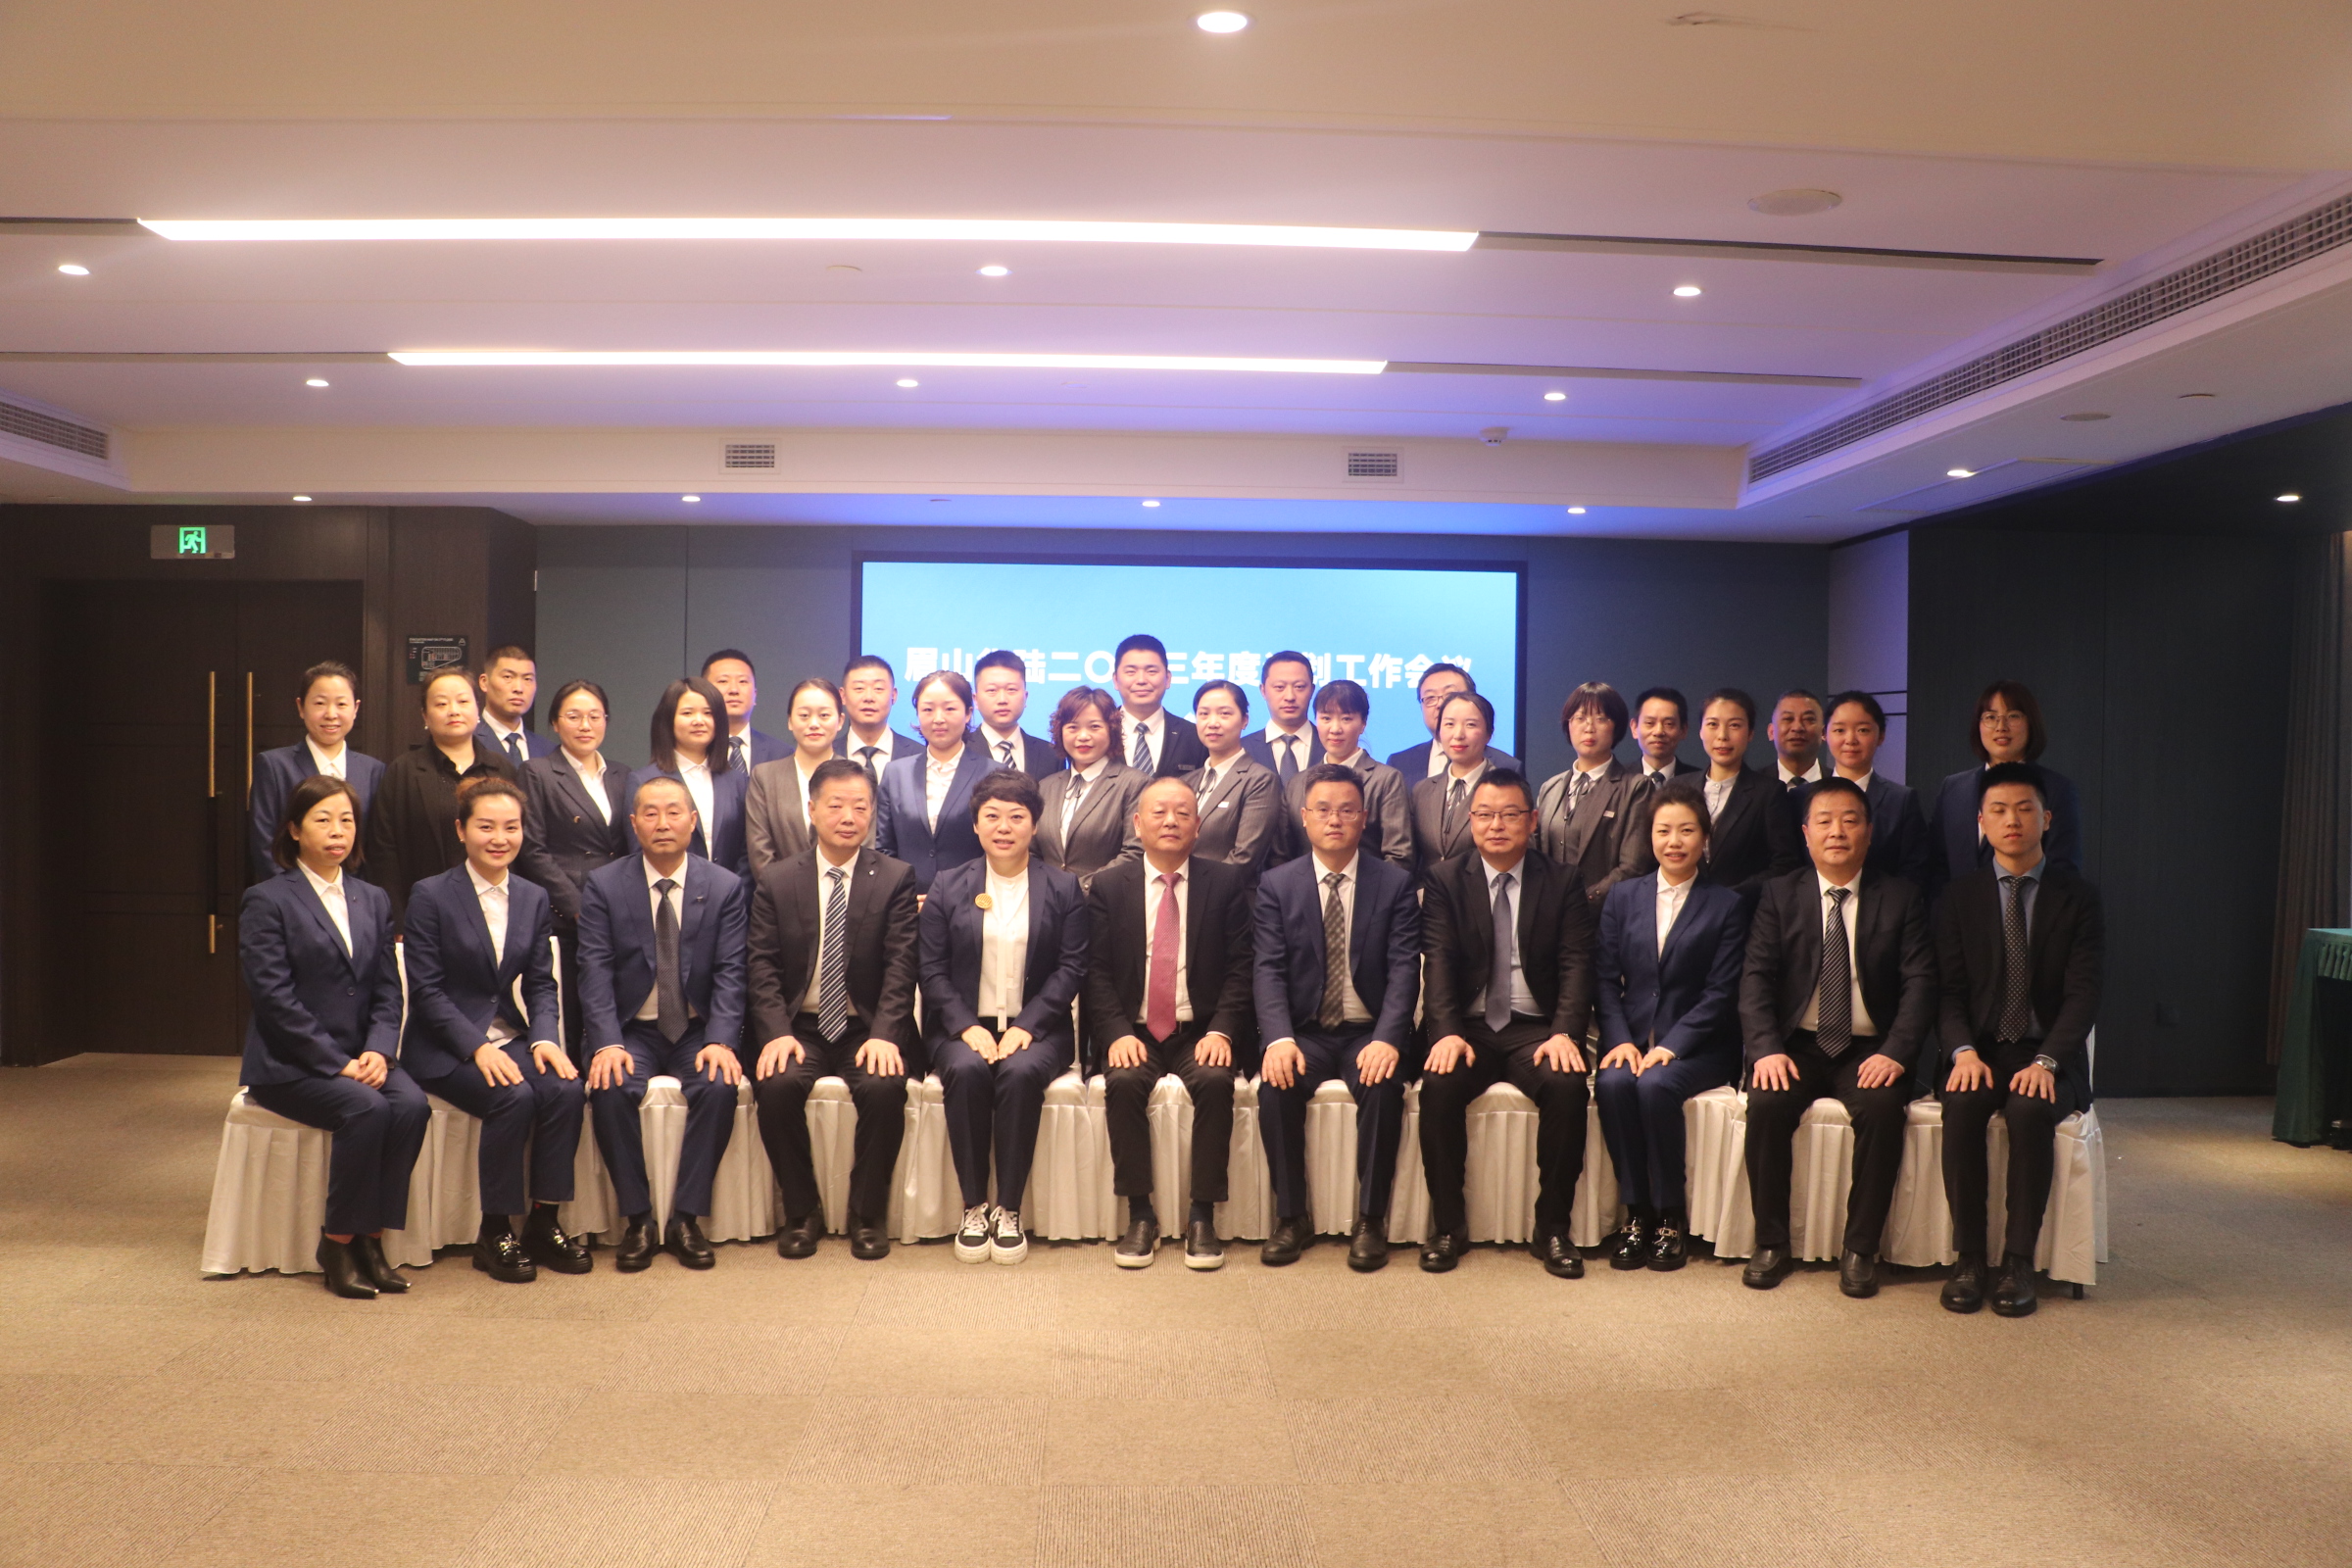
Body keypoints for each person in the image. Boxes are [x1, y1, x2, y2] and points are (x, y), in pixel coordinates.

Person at [1739, 776, 1935, 1298]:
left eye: (1850, 820)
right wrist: (1765, 1050)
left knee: (1882, 1109)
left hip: (1871, 1047)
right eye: (1824, 821)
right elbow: (1755, 978)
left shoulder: (1901, 897)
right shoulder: (1780, 894)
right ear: (1805, 833)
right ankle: (1771, 1242)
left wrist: (1897, 1052)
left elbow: (1920, 983)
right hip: (1796, 1045)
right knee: (1766, 1103)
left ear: (1869, 830)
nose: (1837, 832)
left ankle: (1860, 1248)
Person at [398, 778, 591, 1283]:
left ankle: (544, 1221)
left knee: (566, 1089)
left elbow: (542, 983)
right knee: (514, 1096)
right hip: (444, 1045)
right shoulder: (431, 895)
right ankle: (496, 1230)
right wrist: (476, 1047)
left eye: (511, 827)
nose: (500, 838)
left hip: (510, 1035)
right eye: (486, 827)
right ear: (461, 830)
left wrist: (546, 1038)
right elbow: (427, 992)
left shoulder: (532, 896)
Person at [239, 775, 425, 1299]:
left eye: (346, 820)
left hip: (362, 1054)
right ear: (295, 830)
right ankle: (338, 1243)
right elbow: (273, 998)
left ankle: (373, 1239)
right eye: (322, 820)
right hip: (289, 1063)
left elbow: (388, 989)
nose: (337, 831)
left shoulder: (372, 898)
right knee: (366, 1108)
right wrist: (335, 1061)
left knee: (411, 1105)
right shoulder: (267, 900)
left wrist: (378, 1050)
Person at [1934, 762, 2102, 1318]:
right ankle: (1968, 1259)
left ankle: (2018, 1261)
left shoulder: (2078, 898)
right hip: (1980, 1049)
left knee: (2030, 1111)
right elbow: (1948, 992)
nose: (2013, 820)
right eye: (1999, 811)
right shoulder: (1958, 897)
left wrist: (2048, 1060)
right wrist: (1962, 1051)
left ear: (2047, 819)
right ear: (1981, 822)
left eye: (2025, 809)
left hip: (2047, 1052)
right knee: (1962, 1105)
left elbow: (2083, 995)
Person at [1416, 770, 1597, 1278]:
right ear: (1470, 820)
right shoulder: (1445, 879)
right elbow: (1439, 962)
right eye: (1485, 814)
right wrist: (1446, 1032)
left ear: (1532, 820)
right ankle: (1448, 1227)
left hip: (1536, 1028)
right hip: (1470, 1026)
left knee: (1566, 1086)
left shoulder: (1562, 880)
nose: (1496, 825)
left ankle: (1553, 1228)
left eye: (1509, 815)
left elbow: (1576, 963)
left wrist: (1565, 1032)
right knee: (1439, 1085)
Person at [747, 758, 920, 1262]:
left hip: (865, 1025)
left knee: (884, 1088)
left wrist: (886, 1033)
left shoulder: (895, 877)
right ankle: (802, 1213)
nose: (848, 817)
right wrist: (776, 1032)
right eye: (836, 805)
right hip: (799, 1025)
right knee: (777, 1086)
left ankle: (867, 1215)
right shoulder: (779, 879)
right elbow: (761, 964)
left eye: (860, 807)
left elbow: (901, 964)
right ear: (812, 810)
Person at [577, 775, 751, 1272]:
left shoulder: (724, 885)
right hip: (631, 1029)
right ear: (634, 824)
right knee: (610, 1087)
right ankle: (639, 1220)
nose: (663, 823)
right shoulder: (605, 885)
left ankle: (685, 1219)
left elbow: (732, 972)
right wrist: (607, 1043)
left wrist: (721, 1039)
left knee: (719, 1085)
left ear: (693, 821)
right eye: (650, 814)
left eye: (674, 812)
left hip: (696, 1028)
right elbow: (594, 971)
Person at [1252, 762, 1420, 1271]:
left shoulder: (1393, 883)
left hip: (1369, 1030)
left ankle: (1370, 1219)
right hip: (1304, 1031)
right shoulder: (1277, 884)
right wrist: (1278, 1039)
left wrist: (1388, 1037)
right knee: (1275, 1086)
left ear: (1364, 818)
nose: (1334, 819)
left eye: (1347, 810)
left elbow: (1404, 969)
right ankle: (1292, 1216)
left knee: (1383, 1086)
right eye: (1323, 809)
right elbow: (1268, 969)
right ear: (1304, 817)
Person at [919, 770, 1089, 1265]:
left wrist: (1026, 1026)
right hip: (962, 1026)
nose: (1004, 827)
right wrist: (966, 1026)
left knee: (1019, 1073)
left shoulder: (1063, 887)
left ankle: (1009, 1208)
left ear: (1034, 825)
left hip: (1039, 1028)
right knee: (967, 1070)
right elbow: (930, 969)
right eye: (991, 816)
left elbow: (1071, 967)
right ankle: (974, 1207)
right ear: (975, 825)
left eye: (1017, 817)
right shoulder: (948, 885)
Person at [1086, 778, 1256, 1271]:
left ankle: (1202, 1214)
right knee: (1122, 1083)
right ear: (1137, 824)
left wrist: (1222, 1030)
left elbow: (1241, 967)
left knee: (1215, 1081)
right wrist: (1116, 1032)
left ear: (1198, 826)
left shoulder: (1224, 883)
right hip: (1133, 1029)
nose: (1170, 821)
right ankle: (1141, 1213)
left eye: (1183, 813)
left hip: (1198, 1030)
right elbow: (1094, 971)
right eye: (1159, 812)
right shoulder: (1109, 886)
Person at [1592, 785, 1748, 1271]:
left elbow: (1721, 992)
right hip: (1632, 1038)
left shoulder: (1726, 904)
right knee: (1613, 1083)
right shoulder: (1623, 896)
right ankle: (1635, 1212)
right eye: (1663, 831)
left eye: (1686, 830)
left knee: (1655, 1085)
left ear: (1705, 837)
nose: (1674, 841)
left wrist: (1673, 1045)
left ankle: (1669, 1216)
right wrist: (1620, 1040)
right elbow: (1604, 979)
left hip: (1701, 1046)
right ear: (1650, 837)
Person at [515, 679, 632, 1060]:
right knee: (572, 1010)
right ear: (554, 722)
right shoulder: (538, 772)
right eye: (574, 716)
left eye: (595, 716)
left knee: (614, 1010)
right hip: (567, 915)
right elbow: (532, 849)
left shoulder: (622, 774)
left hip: (618, 910)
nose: (585, 725)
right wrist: (578, 906)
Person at [366, 667, 514, 925]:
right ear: (425, 714)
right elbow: (384, 851)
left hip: (496, 909)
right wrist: (397, 919)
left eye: (463, 701)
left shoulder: (502, 768)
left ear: (478, 709)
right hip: (423, 912)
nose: (453, 710)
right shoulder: (403, 772)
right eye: (442, 703)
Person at [1927, 680, 2084, 898]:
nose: (2001, 726)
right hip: (1955, 914)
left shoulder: (2057, 789)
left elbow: (2063, 871)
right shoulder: (1953, 788)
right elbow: (1936, 865)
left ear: (2031, 723)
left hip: (2023, 913)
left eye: (2013, 716)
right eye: (1990, 717)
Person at [248, 660, 385, 883]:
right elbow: (264, 842)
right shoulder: (274, 766)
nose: (331, 714)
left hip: (354, 894)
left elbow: (376, 846)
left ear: (356, 709)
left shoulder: (373, 770)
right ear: (301, 707)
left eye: (341, 704)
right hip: (289, 894)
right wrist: (296, 895)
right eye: (320, 703)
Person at [876, 669, 1006, 894]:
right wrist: (903, 896)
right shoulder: (895, 773)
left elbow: (999, 848)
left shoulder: (994, 774)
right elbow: (884, 848)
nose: (938, 718)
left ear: (968, 713)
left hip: (972, 899)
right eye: (928, 709)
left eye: (949, 709)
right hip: (908, 902)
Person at [1273, 679, 1412, 868]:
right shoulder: (1297, 783)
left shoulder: (1386, 779)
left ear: (1363, 723)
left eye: (1346, 719)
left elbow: (1399, 855)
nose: (1335, 729)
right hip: (1304, 885)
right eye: (1326, 718)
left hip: (1369, 884)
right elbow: (1281, 855)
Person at [1534, 682, 1648, 905]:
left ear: (1616, 726)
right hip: (1549, 911)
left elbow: (1633, 866)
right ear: (1568, 725)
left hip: (1602, 913)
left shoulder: (1636, 787)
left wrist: (1580, 904)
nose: (1589, 727)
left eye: (1601, 718)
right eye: (1580, 718)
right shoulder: (1550, 787)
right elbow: (1535, 854)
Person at [629, 675, 749, 879]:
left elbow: (747, 852)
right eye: (687, 713)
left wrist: (734, 891)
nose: (699, 721)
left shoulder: (737, 781)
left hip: (730, 894)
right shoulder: (643, 781)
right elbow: (638, 853)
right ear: (668, 720)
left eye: (708, 713)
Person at [1810, 691, 1931, 887]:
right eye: (1840, 730)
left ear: (1881, 735)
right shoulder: (1802, 797)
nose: (1850, 739)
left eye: (1863, 730)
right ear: (1824, 734)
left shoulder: (1901, 800)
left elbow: (1915, 869)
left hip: (1886, 903)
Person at [1691, 688, 1803, 899]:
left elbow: (1784, 864)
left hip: (1742, 909)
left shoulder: (1769, 793)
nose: (1722, 736)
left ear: (1750, 733)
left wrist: (1732, 897)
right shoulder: (1681, 787)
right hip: (1682, 909)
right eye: (1713, 724)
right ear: (1701, 731)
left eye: (1734, 725)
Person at [1035, 685, 1148, 887]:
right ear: (1060, 732)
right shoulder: (1045, 787)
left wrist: (1079, 890)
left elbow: (1135, 852)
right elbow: (1031, 850)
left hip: (1104, 899)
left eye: (1094, 727)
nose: (1083, 736)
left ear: (1112, 730)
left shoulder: (1135, 784)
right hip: (1048, 899)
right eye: (1073, 727)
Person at [744, 677, 850, 874]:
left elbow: (865, 847)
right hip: (779, 891)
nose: (814, 724)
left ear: (840, 721)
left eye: (824, 715)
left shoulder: (858, 777)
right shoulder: (765, 777)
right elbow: (760, 854)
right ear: (790, 721)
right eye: (804, 715)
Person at [1184, 679, 1281, 876]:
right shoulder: (1186, 782)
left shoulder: (1259, 780)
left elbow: (1244, 857)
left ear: (1245, 720)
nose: (1213, 723)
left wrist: (1195, 888)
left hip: (1229, 891)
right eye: (1204, 714)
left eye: (1224, 714)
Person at [1409, 691, 1501, 872]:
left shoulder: (1504, 789)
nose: (1458, 734)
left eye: (1470, 725)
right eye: (1449, 724)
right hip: (1428, 889)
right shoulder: (1422, 790)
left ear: (1489, 733)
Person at [1384, 662, 1521, 780]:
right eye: (1430, 698)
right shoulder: (1399, 764)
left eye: (1450, 695)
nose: (1440, 704)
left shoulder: (1506, 766)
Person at [1113, 634, 1208, 778]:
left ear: (1168, 679)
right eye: (1131, 672)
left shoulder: (1195, 736)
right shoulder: (1100, 731)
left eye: (1151, 671)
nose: (1141, 680)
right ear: (1115, 680)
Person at [972, 650, 1064, 776]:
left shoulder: (1051, 754)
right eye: (992, 690)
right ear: (975, 700)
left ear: (1025, 697)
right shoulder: (960, 750)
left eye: (1011, 689)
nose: (1002, 700)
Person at [1240, 650, 1324, 786]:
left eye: (1299, 687)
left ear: (1312, 690)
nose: (1290, 696)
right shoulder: (1241, 749)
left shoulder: (1331, 744)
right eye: (1279, 687)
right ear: (1263, 690)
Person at [703, 649, 790, 771]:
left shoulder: (781, 754)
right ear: (703, 693)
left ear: (755, 694)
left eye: (743, 681)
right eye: (723, 681)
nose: (734, 690)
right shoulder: (693, 750)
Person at [836, 655, 920, 781]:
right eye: (859, 688)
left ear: (893, 695)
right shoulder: (828, 754)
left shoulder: (918, 755)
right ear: (843, 696)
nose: (869, 697)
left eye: (878, 688)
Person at [474, 646, 554, 767]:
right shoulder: (467, 741)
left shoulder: (548, 750)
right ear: (484, 682)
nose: (518, 688)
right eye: (508, 677)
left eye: (527, 679)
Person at [1632, 687, 1701, 790]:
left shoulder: (1699, 782)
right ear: (1634, 728)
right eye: (1650, 723)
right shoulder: (1620, 780)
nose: (1659, 732)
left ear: (1683, 730)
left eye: (1669, 724)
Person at [1769, 689, 1827, 791]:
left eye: (1808, 719)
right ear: (1771, 732)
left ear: (1823, 732)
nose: (1797, 727)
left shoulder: (1841, 784)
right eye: (1788, 719)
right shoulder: (1753, 787)